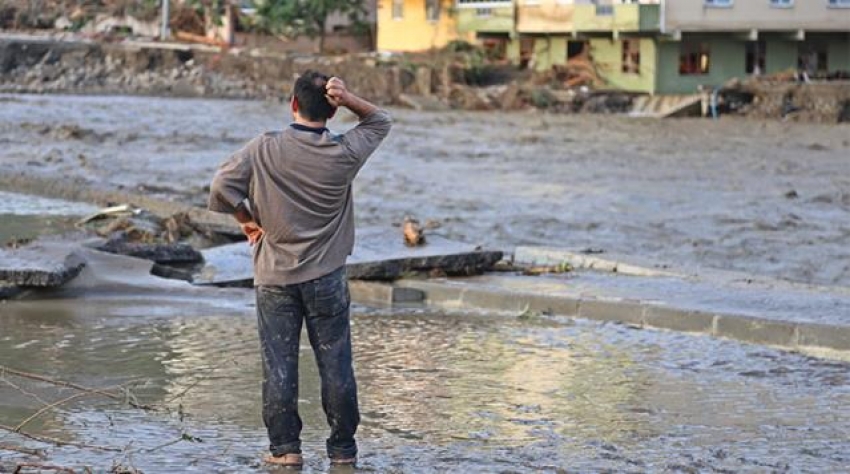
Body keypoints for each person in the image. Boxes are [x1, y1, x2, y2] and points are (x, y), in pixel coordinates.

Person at [207, 71, 392, 467]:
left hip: (274, 276)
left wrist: (246, 220)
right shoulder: (344, 153)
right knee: (336, 362)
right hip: (327, 276)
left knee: (279, 364)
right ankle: (342, 451)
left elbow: (221, 187)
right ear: (332, 110)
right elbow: (379, 121)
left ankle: (285, 451)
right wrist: (349, 97)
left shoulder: (263, 147)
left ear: (292, 104)